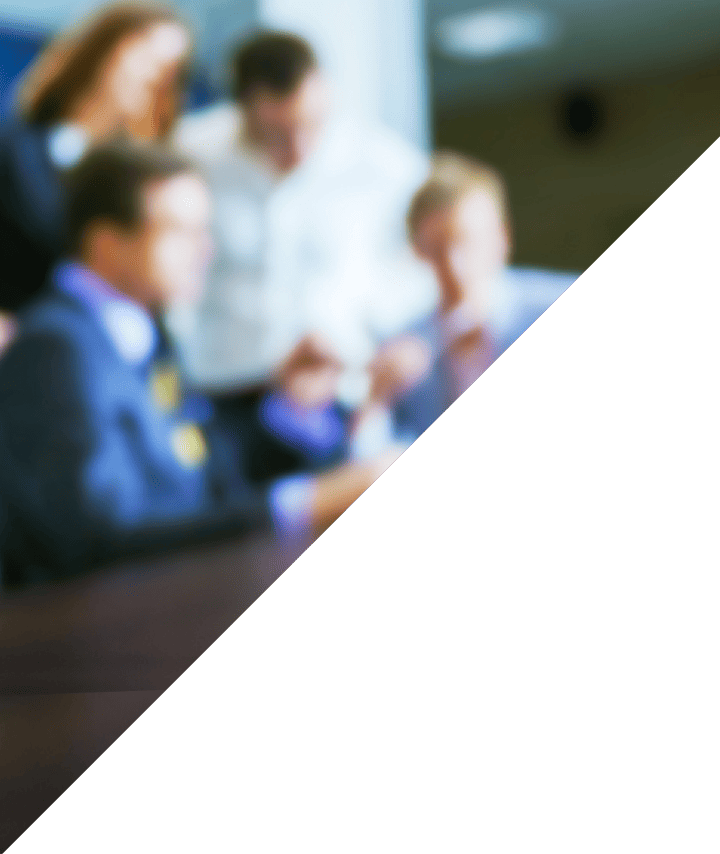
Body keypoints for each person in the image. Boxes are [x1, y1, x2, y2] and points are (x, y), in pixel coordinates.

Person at [0, 144, 403, 588]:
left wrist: (290, 408)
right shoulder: (55, 349)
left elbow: (197, 472)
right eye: (181, 232)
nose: (205, 253)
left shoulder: (140, 334)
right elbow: (100, 535)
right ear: (107, 243)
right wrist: (300, 505)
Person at [168, 30, 437, 412]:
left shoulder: (385, 165)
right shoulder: (191, 156)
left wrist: (375, 326)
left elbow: (426, 264)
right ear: (241, 110)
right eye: (277, 134)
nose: (299, 149)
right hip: (222, 386)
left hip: (342, 388)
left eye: (311, 126)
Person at [0, 2, 193, 313]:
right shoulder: (15, 149)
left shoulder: (143, 183)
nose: (156, 75)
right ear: (105, 48)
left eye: (172, 70)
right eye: (146, 54)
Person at [395, 151, 582, 437]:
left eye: (466, 243)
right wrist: (376, 401)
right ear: (418, 252)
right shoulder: (406, 350)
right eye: (437, 249)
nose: (454, 267)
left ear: (501, 238)